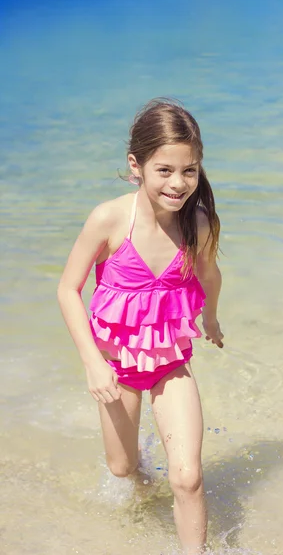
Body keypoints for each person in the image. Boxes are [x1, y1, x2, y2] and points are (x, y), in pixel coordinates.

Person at [57, 98, 224, 554]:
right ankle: (141, 475)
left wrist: (209, 317)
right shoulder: (109, 219)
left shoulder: (198, 224)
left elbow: (210, 275)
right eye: (164, 170)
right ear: (137, 165)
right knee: (123, 469)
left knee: (187, 477)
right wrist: (93, 364)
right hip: (116, 369)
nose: (179, 183)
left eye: (189, 171)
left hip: (171, 363)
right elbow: (67, 290)